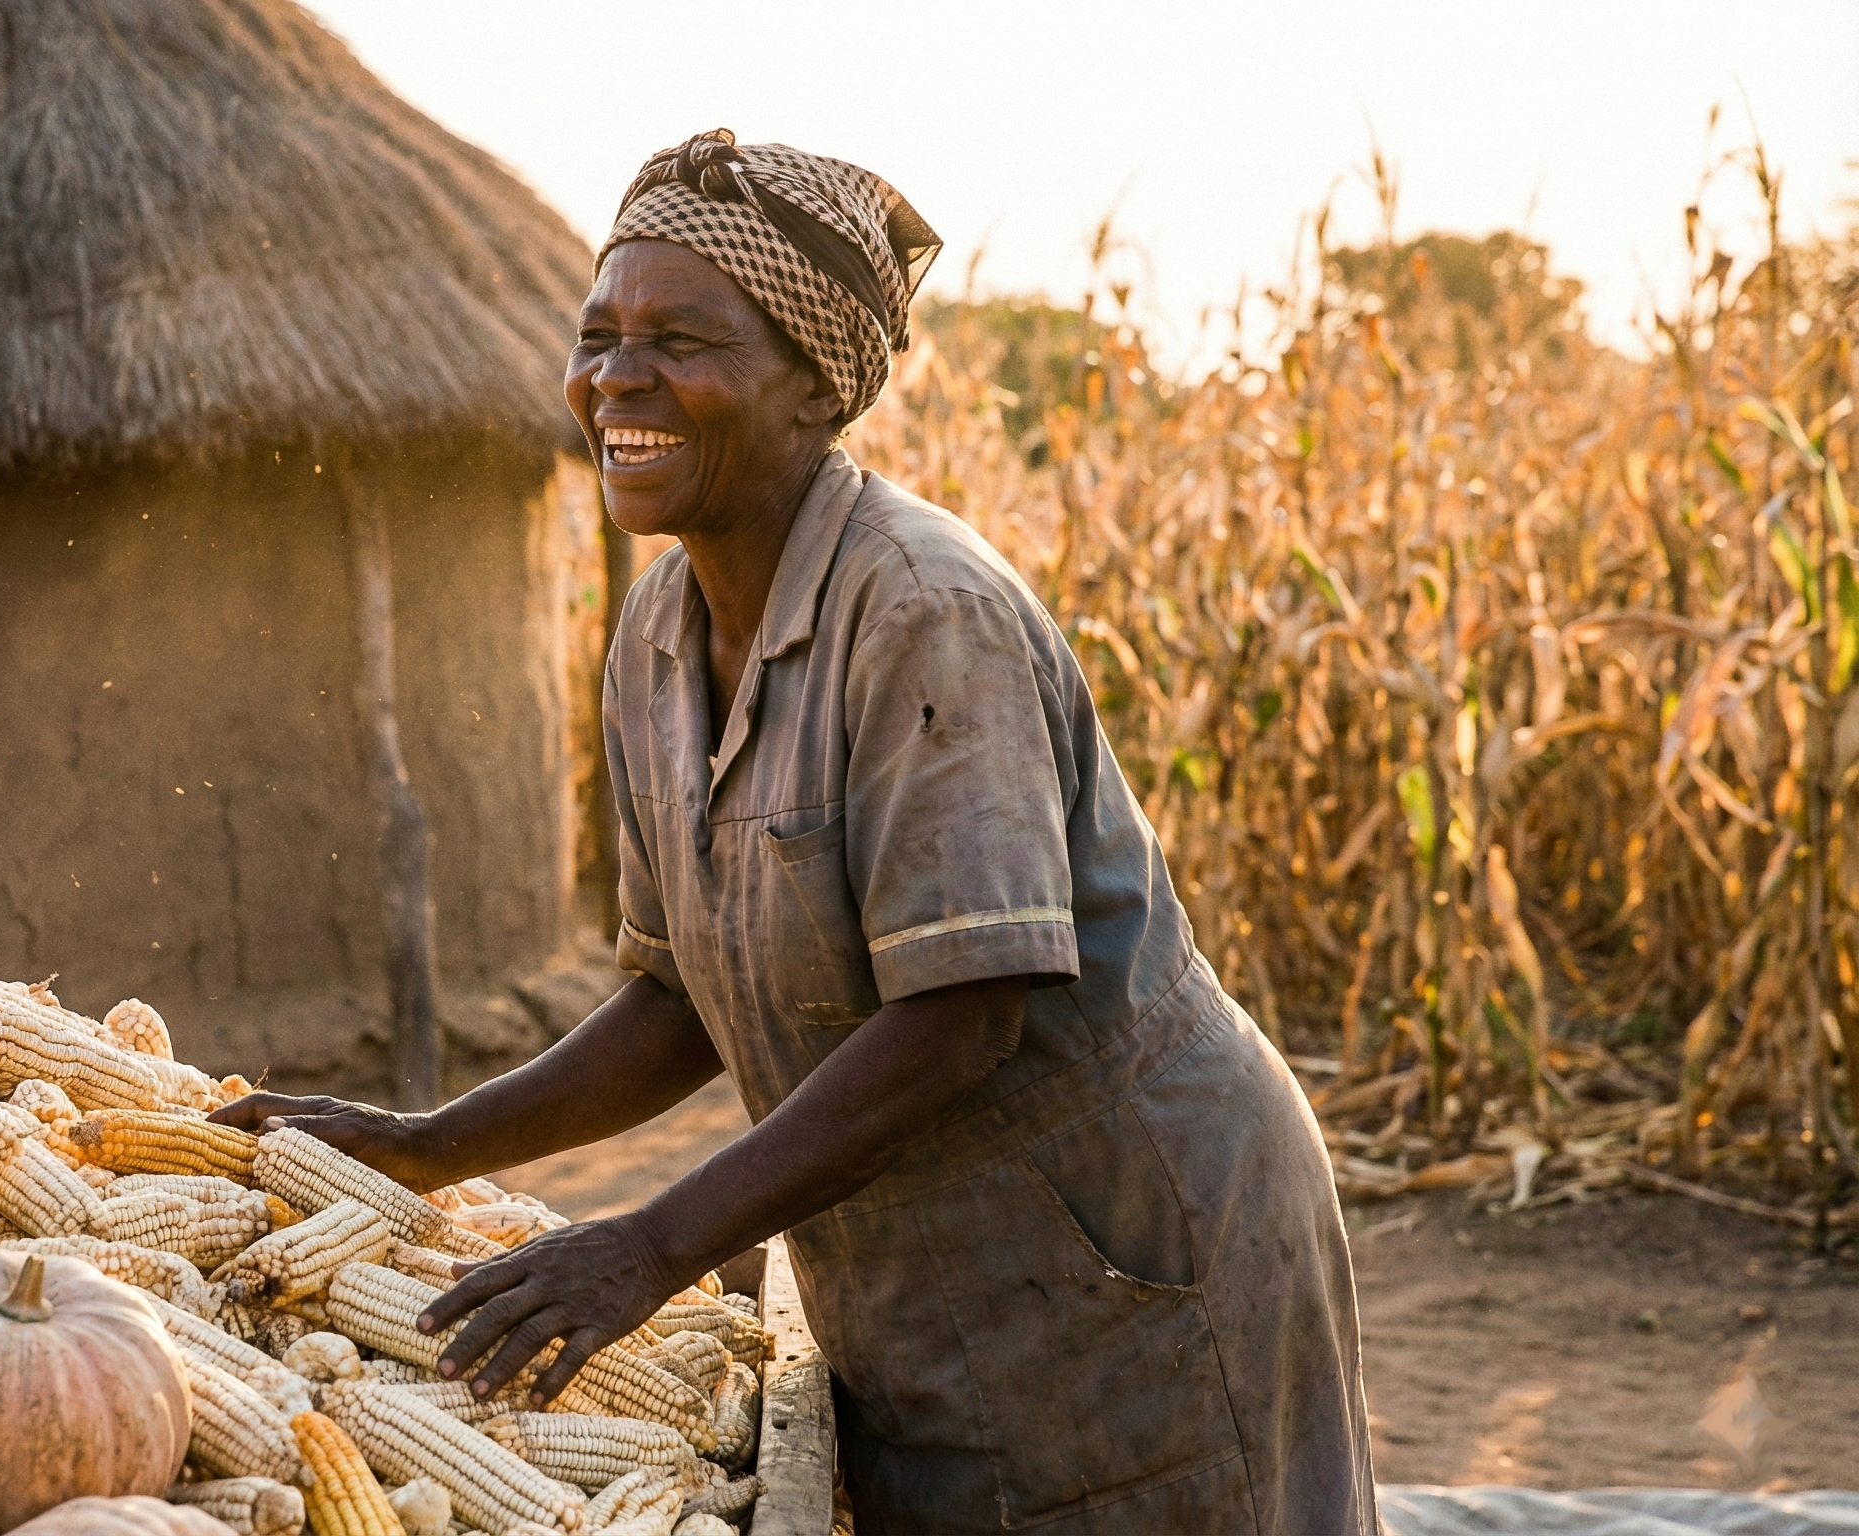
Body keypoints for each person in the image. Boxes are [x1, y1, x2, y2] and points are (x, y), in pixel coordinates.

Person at [216, 129, 1375, 1535]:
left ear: (816, 385)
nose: (614, 378)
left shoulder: (922, 609)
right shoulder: (657, 634)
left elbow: (967, 1014)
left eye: (680, 340)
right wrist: (424, 1143)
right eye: (599, 336)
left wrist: (652, 1245)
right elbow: (677, 1000)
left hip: (1127, 1225)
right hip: (922, 1257)